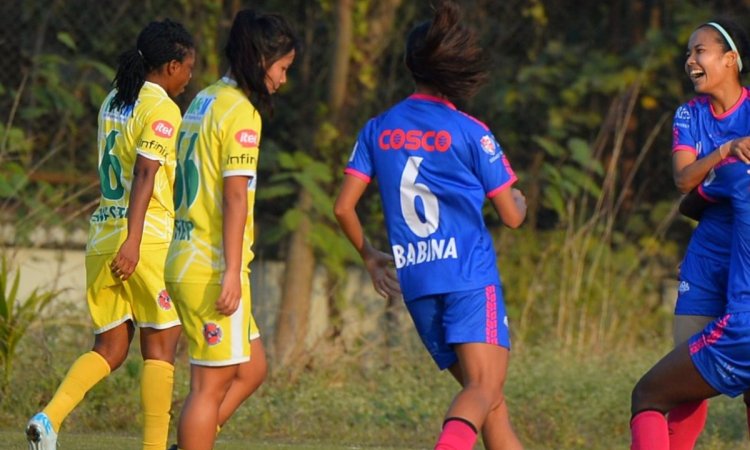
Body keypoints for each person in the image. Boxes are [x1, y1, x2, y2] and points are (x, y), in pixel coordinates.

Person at [333, 2, 526, 449]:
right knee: (484, 388)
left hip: (418, 285)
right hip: (469, 279)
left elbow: (343, 208)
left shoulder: (377, 128)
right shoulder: (470, 130)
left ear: (409, 65)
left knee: (490, 402)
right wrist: (520, 197)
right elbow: (512, 217)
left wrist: (369, 256)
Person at [25, 19, 195, 450]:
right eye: (188, 67)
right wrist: (134, 241)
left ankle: (49, 419)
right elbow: (145, 173)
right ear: (171, 66)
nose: (190, 77)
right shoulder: (163, 109)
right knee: (161, 347)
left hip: (102, 236)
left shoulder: (114, 100)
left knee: (111, 348)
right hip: (145, 240)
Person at [163, 9, 298, 450]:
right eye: (282, 68)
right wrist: (231, 272)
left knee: (252, 368)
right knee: (210, 386)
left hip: (185, 254)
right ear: (261, 60)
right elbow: (236, 197)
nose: (283, 80)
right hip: (210, 265)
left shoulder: (204, 99)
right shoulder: (241, 113)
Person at [665, 18, 750, 449]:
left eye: (700, 51)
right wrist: (726, 149)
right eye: (688, 53)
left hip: (745, 257)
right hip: (706, 256)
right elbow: (684, 179)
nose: (690, 61)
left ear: (730, 59)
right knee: (683, 385)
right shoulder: (689, 114)